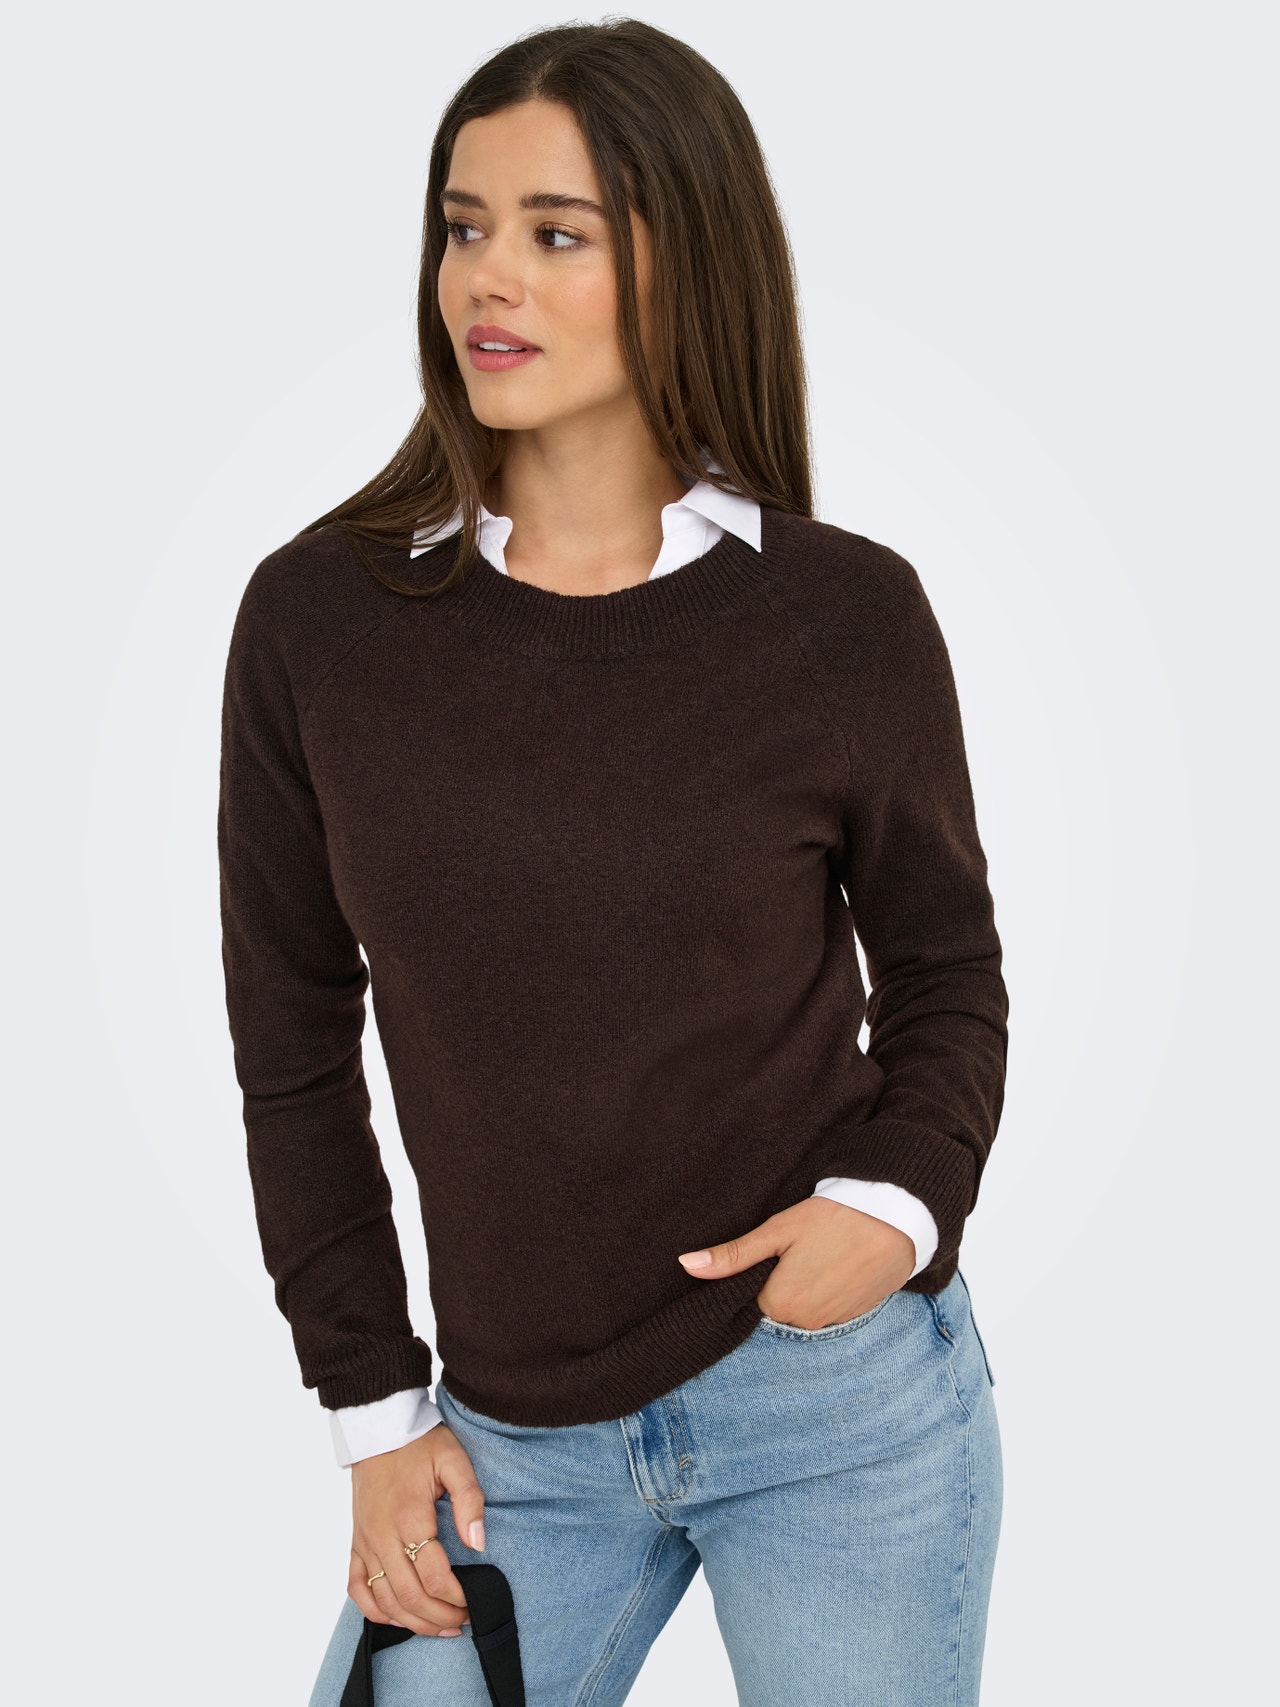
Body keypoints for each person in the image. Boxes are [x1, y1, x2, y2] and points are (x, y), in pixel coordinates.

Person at [217, 18, 1009, 1705]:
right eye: (465, 225)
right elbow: (291, 1046)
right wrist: (372, 1411)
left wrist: (893, 1205)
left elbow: (948, 972)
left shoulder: (842, 616)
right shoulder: (319, 623)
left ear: (684, 260)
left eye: (556, 233)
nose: (487, 278)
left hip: (832, 1405)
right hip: (505, 1443)